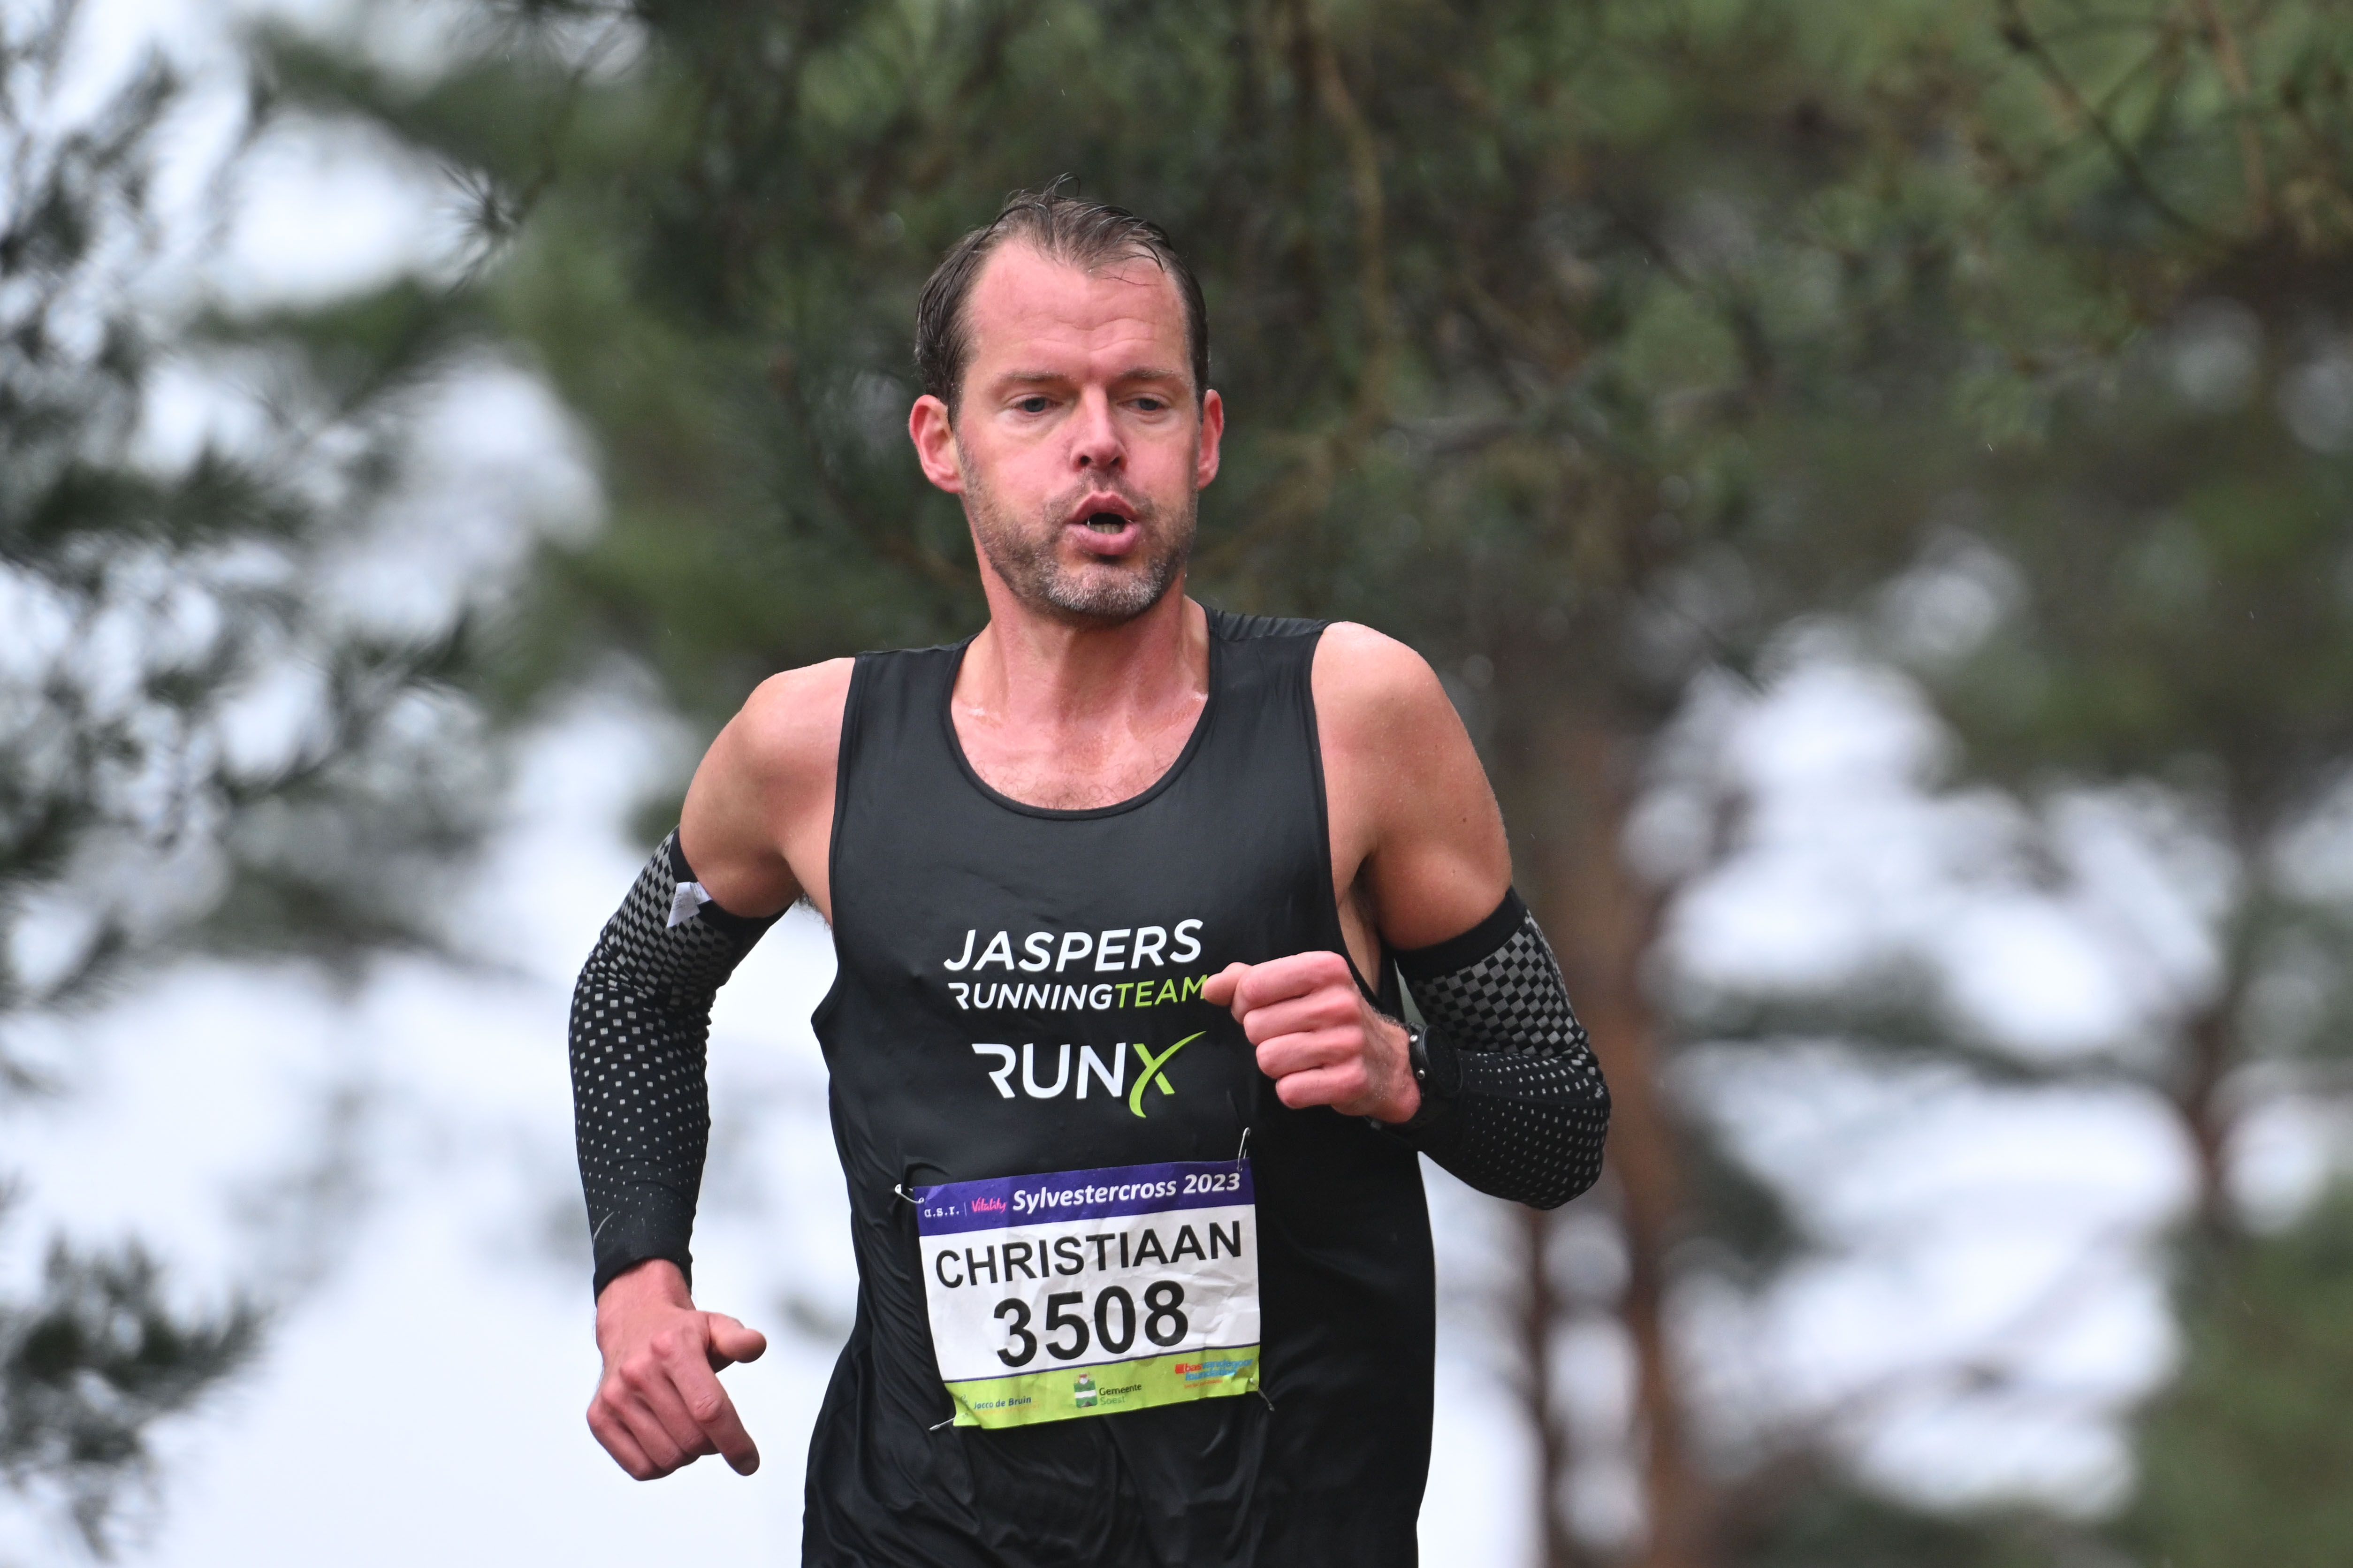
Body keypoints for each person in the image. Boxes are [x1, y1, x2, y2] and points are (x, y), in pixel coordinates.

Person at [568, 187, 1611, 1566]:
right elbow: (632, 993)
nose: (1101, 443)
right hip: (920, 1536)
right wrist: (639, 1285)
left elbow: (1562, 1124)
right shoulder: (811, 750)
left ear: (1208, 436)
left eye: (1146, 400)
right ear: (942, 442)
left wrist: (1403, 1070)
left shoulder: (1353, 718)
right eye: (1038, 402)